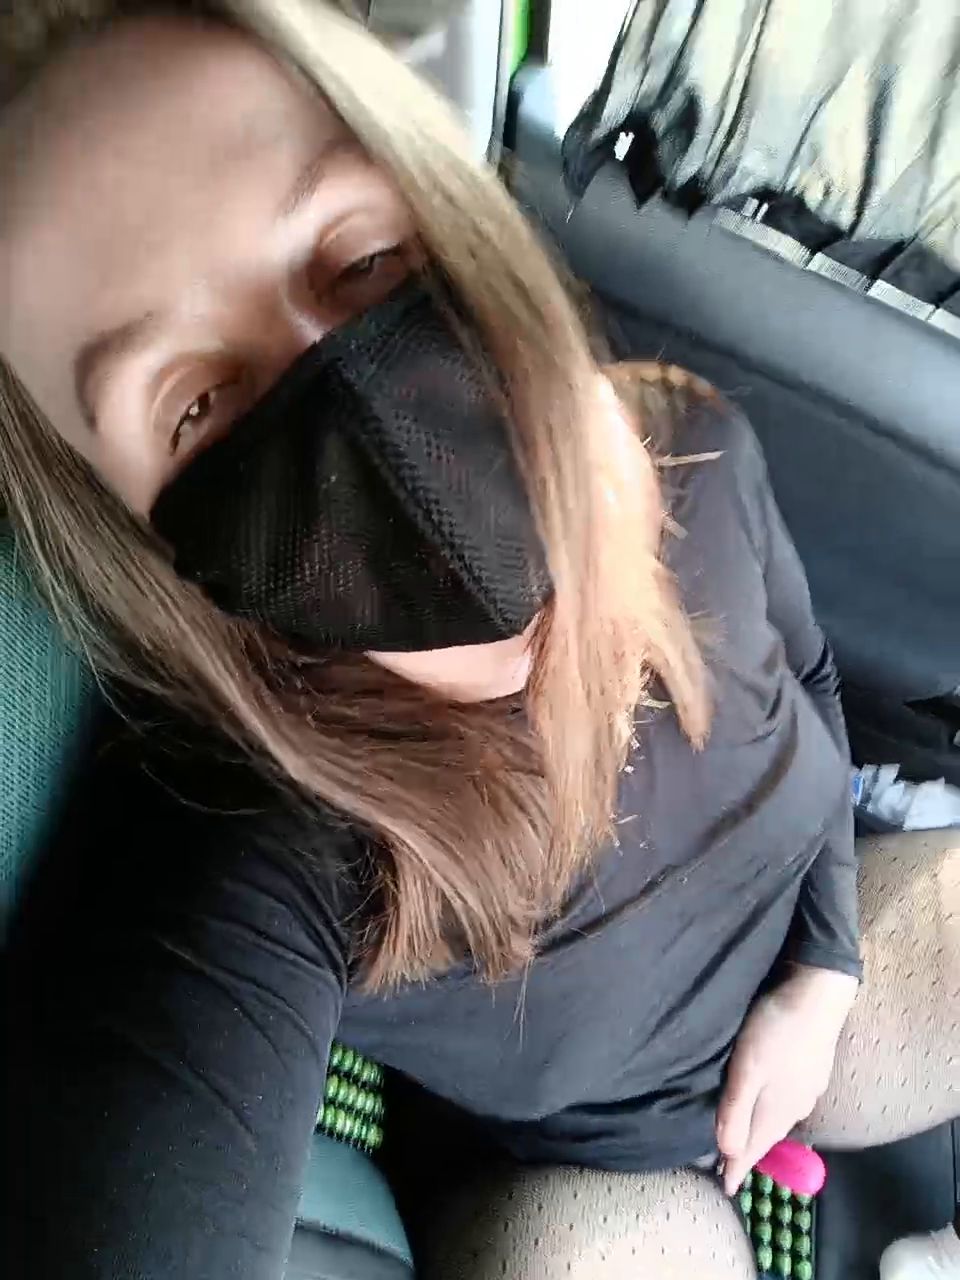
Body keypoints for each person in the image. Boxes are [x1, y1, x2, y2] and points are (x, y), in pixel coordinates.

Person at [0, 3, 956, 1277]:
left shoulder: (693, 439)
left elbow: (812, 676)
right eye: (198, 405)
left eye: (363, 259)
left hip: (823, 973)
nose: (378, 437)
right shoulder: (275, 827)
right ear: (135, 531)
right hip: (589, 1170)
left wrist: (825, 969)